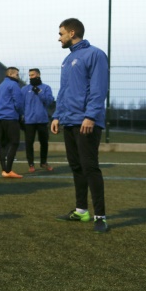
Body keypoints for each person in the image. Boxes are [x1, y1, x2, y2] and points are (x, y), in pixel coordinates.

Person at [51, 18, 109, 233]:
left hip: (86, 121)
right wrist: (57, 116)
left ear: (72, 33)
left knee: (90, 167)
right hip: (69, 120)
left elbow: (99, 87)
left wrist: (91, 116)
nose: (59, 38)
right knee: (76, 167)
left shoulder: (95, 54)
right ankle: (81, 210)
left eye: (61, 34)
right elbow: (64, 91)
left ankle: (100, 216)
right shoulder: (68, 60)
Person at [22, 68, 55, 172]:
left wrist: (39, 92)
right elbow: (21, 103)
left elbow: (49, 101)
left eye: (32, 75)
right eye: (29, 75)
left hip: (42, 120)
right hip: (29, 121)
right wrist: (22, 116)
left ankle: (43, 162)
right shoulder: (24, 89)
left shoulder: (46, 88)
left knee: (44, 143)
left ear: (38, 75)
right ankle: (31, 164)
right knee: (29, 143)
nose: (30, 77)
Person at [0, 67, 25, 178]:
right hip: (10, 117)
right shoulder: (14, 85)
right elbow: (18, 102)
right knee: (14, 142)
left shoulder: (1, 85)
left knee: (2, 144)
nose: (18, 76)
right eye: (17, 74)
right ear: (11, 74)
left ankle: (4, 169)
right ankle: (9, 170)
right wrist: (21, 114)